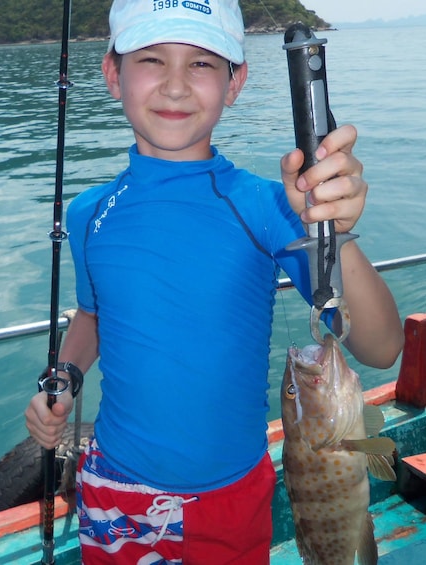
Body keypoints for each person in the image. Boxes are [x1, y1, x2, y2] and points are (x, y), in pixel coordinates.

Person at [25, 0, 404, 562]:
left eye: (202, 64)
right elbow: (94, 315)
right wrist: (64, 377)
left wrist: (330, 229)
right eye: (152, 60)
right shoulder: (89, 213)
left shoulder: (270, 205)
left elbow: (381, 346)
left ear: (235, 83)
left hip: (229, 494)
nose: (176, 86)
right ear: (112, 75)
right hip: (112, 484)